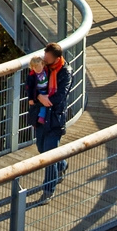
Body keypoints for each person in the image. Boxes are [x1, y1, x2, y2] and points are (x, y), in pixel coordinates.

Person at [33, 43, 72, 200]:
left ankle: (48, 191)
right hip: (41, 116)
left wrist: (44, 99)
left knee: (49, 157)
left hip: (55, 118)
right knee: (42, 149)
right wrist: (39, 96)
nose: (45, 59)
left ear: (56, 58)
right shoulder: (42, 67)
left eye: (48, 57)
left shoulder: (66, 73)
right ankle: (62, 164)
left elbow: (60, 96)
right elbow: (30, 86)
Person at [23, 55, 46, 125]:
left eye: (39, 67)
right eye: (36, 68)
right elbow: (29, 88)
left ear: (43, 65)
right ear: (32, 68)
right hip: (38, 92)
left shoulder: (46, 72)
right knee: (43, 105)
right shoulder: (31, 76)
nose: (38, 69)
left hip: (47, 90)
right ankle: (41, 117)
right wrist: (31, 99)